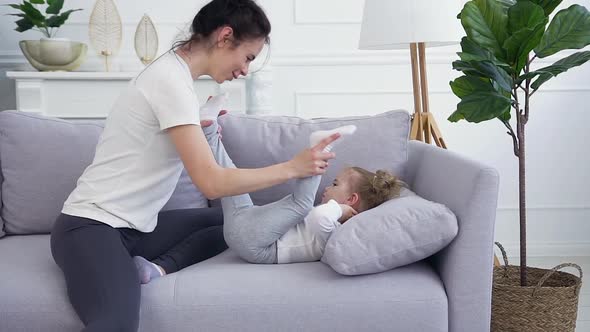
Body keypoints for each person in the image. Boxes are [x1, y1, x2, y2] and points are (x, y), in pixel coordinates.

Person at [49, 1, 339, 331]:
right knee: (117, 322)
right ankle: (120, 270)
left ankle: (155, 268)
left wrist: (201, 125)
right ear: (225, 36)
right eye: (247, 57)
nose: (245, 70)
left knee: (233, 224)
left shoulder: (177, 79)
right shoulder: (170, 81)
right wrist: (293, 167)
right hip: (90, 227)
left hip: (132, 230)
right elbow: (212, 184)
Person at [134, 119, 404, 267]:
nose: (327, 189)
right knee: (231, 181)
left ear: (351, 201)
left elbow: (317, 217)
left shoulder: (334, 228)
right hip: (249, 231)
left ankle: (315, 149)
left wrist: (340, 211)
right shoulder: (330, 219)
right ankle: (208, 130)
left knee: (300, 205)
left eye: (335, 185)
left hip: (258, 248)